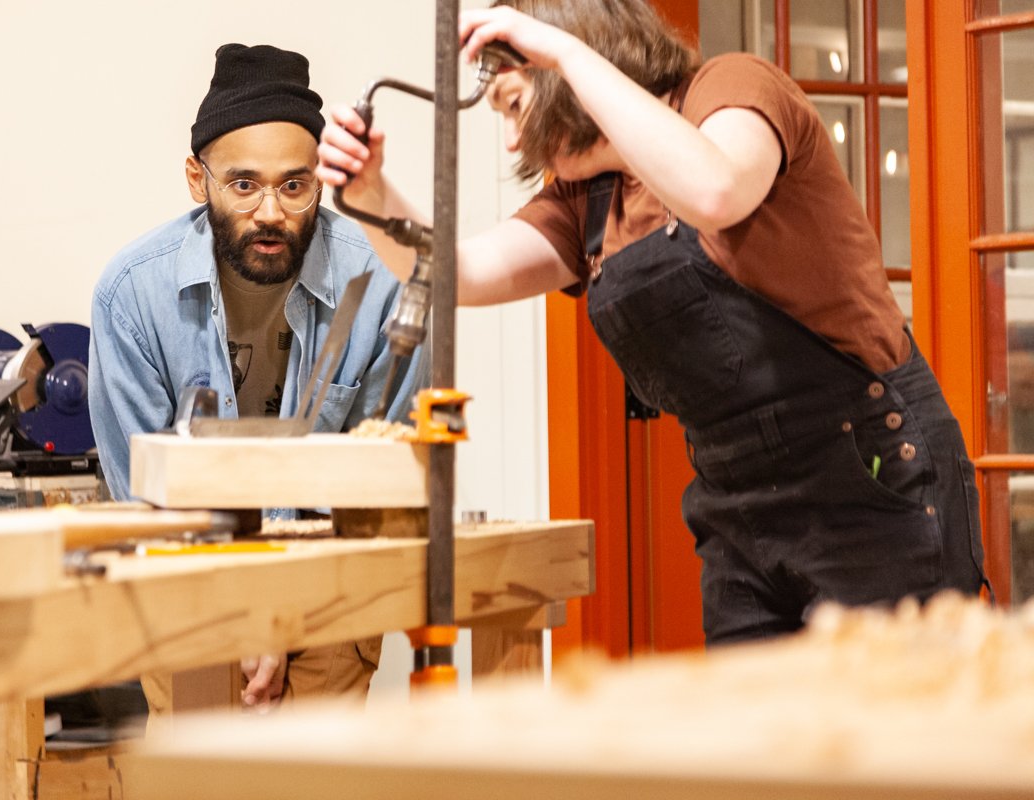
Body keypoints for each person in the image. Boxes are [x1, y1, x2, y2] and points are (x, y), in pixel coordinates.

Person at [317, 0, 988, 645]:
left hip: (870, 482)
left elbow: (715, 191)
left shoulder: (730, 91)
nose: (515, 140)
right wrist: (372, 192)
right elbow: (453, 272)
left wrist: (564, 52)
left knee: (891, 716)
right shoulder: (587, 201)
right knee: (762, 724)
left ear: (566, 63)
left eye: (515, 106)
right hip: (739, 510)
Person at [90, 43, 425, 705]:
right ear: (198, 179)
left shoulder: (382, 282)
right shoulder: (131, 296)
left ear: (321, 180)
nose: (270, 212)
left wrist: (279, 610)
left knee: (319, 759)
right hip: (185, 584)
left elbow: (377, 490)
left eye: (294, 186)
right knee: (196, 755)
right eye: (244, 185)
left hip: (330, 586)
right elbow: (144, 499)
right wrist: (237, 615)